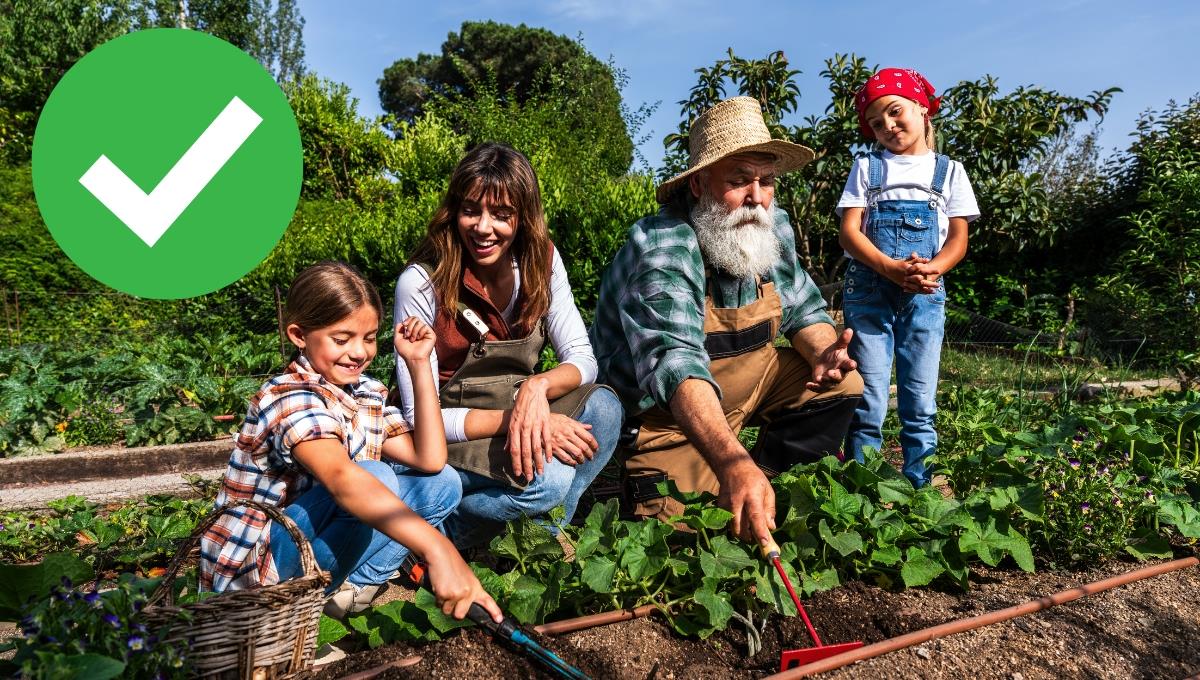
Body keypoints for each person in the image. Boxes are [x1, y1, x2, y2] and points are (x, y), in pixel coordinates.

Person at [591, 96, 864, 547]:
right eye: (739, 181)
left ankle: (765, 480)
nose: (756, 198)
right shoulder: (665, 245)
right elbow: (675, 362)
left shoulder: (770, 226)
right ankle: (731, 472)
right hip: (669, 424)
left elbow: (803, 308)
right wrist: (733, 463)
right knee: (685, 546)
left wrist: (823, 352)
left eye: (766, 181)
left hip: (744, 394)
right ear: (699, 183)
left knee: (843, 384)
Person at [200, 261, 501, 624]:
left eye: (369, 338)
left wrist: (420, 363)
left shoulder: (364, 393)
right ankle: (282, 614)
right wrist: (438, 549)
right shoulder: (288, 397)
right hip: (253, 571)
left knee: (443, 483)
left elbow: (431, 459)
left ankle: (345, 596)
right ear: (299, 335)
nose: (358, 352)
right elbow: (343, 479)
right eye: (341, 340)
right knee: (375, 476)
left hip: (306, 548)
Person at [393, 142, 622, 549]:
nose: (483, 228)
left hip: (516, 405)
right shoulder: (422, 282)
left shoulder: (541, 261)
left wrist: (537, 387)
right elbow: (417, 418)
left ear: (523, 217)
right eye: (471, 210)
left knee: (605, 410)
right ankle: (444, 535)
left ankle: (540, 542)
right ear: (454, 211)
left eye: (501, 214)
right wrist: (522, 420)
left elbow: (583, 358)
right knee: (549, 480)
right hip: (449, 429)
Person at [837, 67, 979, 487]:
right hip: (870, 293)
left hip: (925, 294)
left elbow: (957, 240)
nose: (888, 125)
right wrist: (891, 269)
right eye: (876, 123)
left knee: (919, 401)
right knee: (869, 399)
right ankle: (862, 490)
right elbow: (849, 234)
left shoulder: (949, 172)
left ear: (921, 109)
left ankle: (920, 488)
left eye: (895, 111)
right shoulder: (867, 168)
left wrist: (932, 269)